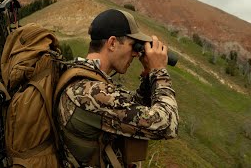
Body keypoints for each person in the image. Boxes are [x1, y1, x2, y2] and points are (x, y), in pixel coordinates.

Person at [56, 9, 179, 167]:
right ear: (112, 43)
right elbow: (167, 125)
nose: (136, 54)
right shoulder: (92, 92)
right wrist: (159, 72)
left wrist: (149, 77)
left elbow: (131, 108)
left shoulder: (83, 79)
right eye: (133, 46)